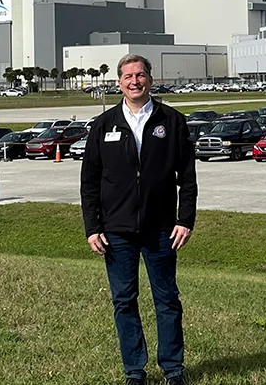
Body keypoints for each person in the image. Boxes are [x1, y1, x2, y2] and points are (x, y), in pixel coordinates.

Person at [80, 54, 198, 385]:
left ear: (150, 79)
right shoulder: (104, 125)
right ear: (118, 82)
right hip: (116, 232)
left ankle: (173, 368)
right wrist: (93, 227)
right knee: (124, 301)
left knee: (167, 300)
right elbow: (89, 181)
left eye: (141, 75)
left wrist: (185, 219)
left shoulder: (171, 121)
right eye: (128, 76)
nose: (135, 81)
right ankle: (135, 370)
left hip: (162, 229)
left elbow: (187, 177)